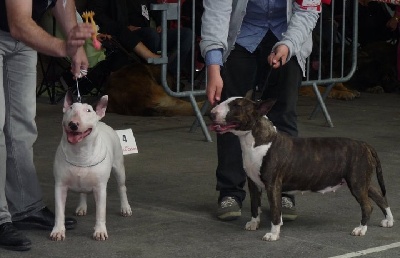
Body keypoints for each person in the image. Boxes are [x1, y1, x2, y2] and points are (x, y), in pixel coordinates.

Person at [200, 0, 320, 221]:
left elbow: (307, 11)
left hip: (286, 36)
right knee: (230, 119)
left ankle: (285, 190)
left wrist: (288, 45)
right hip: (240, 39)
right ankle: (230, 192)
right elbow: (216, 13)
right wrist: (213, 66)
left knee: (284, 115)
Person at [0, 0, 94, 251]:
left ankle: (25, 206)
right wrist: (63, 46)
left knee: (22, 125)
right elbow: (19, 24)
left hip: (22, 38)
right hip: (16, 27)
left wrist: (75, 47)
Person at [89, 0, 192, 76]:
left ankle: (169, 77)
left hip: (149, 32)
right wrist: (123, 28)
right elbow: (96, 13)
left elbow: (156, 9)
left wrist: (161, 24)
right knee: (151, 35)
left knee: (186, 34)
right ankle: (153, 77)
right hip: (125, 35)